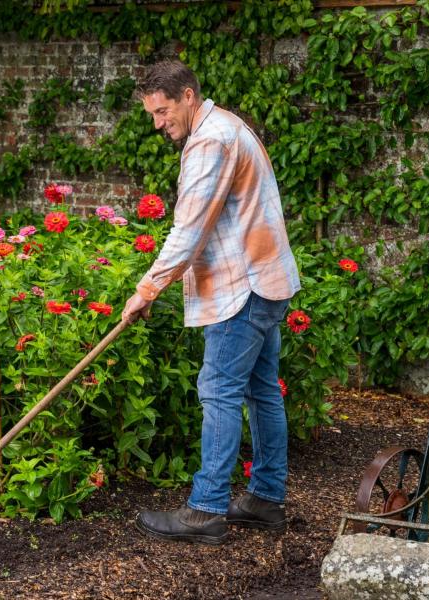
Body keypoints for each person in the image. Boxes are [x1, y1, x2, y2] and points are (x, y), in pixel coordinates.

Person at [120, 59, 301, 545]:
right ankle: (264, 499)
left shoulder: (209, 141)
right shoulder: (227, 126)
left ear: (188, 96)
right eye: (152, 115)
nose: (158, 124)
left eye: (162, 111)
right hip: (265, 280)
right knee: (261, 390)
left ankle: (205, 511)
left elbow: (189, 230)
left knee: (218, 389)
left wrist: (146, 290)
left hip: (241, 287)